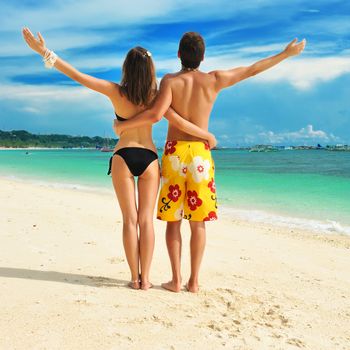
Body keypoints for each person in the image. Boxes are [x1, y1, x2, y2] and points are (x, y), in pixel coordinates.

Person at [22, 28, 217, 290]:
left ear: (126, 68)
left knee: (130, 220)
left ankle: (134, 278)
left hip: (122, 157)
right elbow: (171, 117)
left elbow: (78, 76)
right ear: (150, 69)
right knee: (145, 220)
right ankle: (147, 280)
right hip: (148, 158)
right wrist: (205, 135)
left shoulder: (115, 92)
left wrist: (46, 53)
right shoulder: (155, 95)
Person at [116, 32, 306, 292]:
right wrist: (285, 54)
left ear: (179, 54)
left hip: (175, 154)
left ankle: (175, 279)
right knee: (198, 222)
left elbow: (156, 113)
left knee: (174, 221)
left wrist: (123, 124)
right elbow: (251, 70)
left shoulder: (170, 81)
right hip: (201, 156)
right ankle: (194, 281)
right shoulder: (215, 80)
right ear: (203, 57)